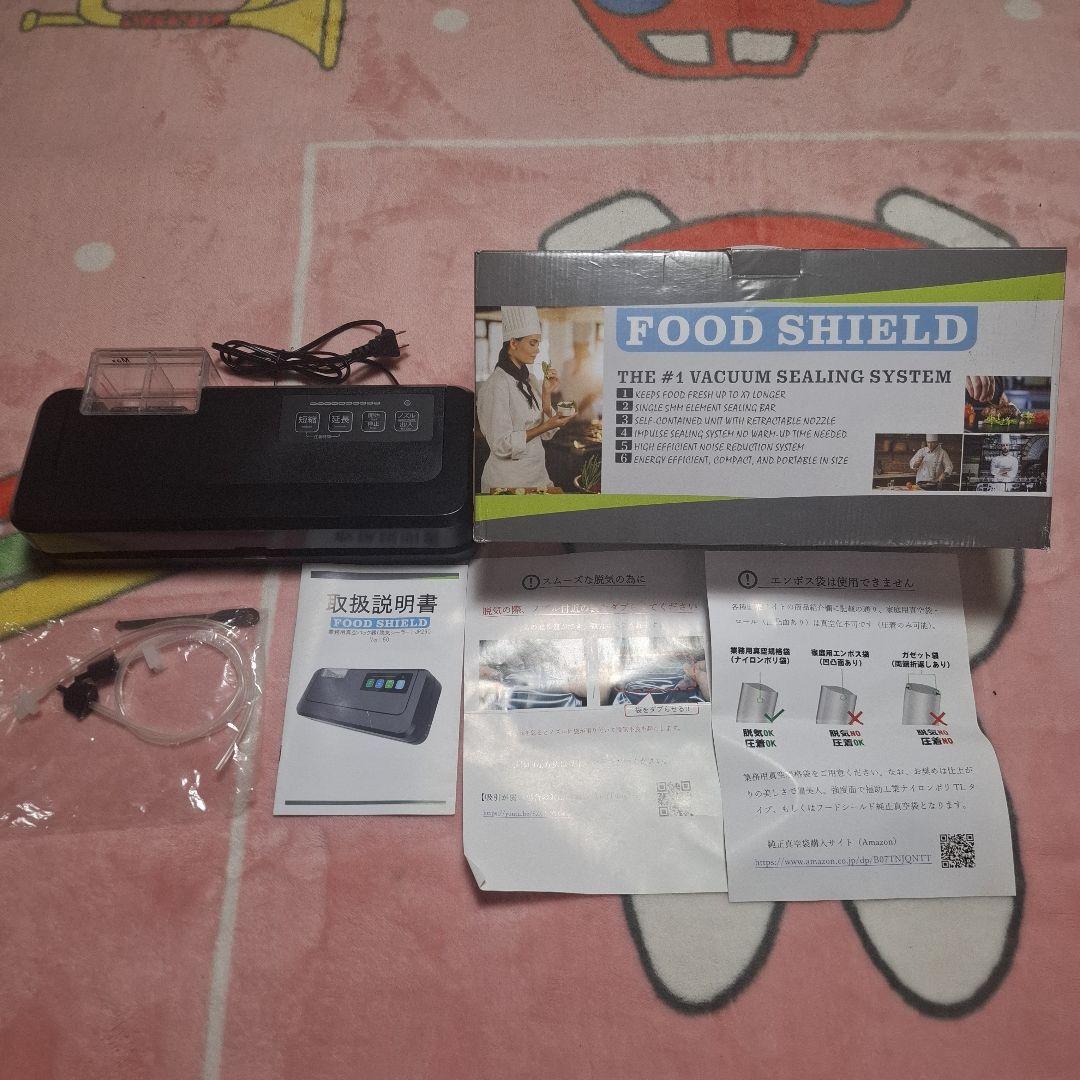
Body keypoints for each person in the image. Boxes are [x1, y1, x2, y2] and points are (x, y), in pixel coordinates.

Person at [476, 306, 570, 492]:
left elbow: (547, 434)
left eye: (538, 344)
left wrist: (546, 394)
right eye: (532, 343)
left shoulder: (530, 379)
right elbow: (501, 445)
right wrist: (546, 426)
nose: (537, 350)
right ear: (513, 343)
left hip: (537, 475)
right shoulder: (496, 385)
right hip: (507, 481)